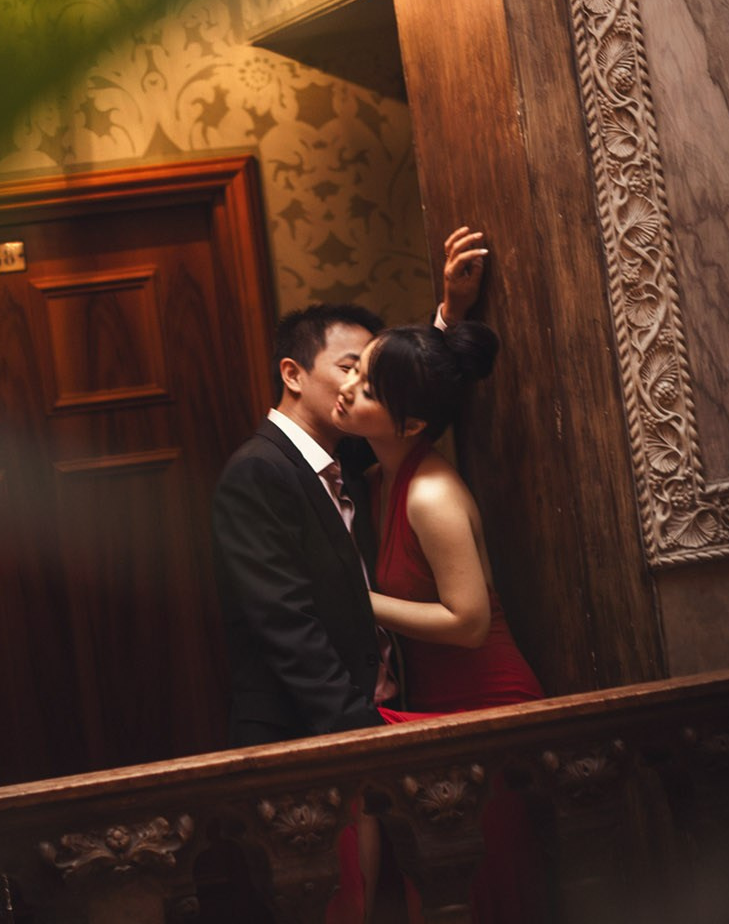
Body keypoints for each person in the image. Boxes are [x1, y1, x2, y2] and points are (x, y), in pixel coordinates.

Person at [211, 228, 487, 748]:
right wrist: (362, 738)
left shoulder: (353, 456)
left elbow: (408, 403)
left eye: (368, 372)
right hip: (317, 732)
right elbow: (287, 627)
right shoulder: (258, 471)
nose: (358, 385)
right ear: (292, 375)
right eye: (349, 368)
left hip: (387, 712)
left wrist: (450, 317)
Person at [332, 320, 545, 924]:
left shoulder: (431, 492)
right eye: (354, 369)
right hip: (435, 703)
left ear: (413, 425)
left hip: (486, 703)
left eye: (369, 388)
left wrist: (352, 598)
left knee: (478, 895)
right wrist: (447, 314)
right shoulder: (377, 479)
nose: (349, 387)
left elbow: (470, 621)